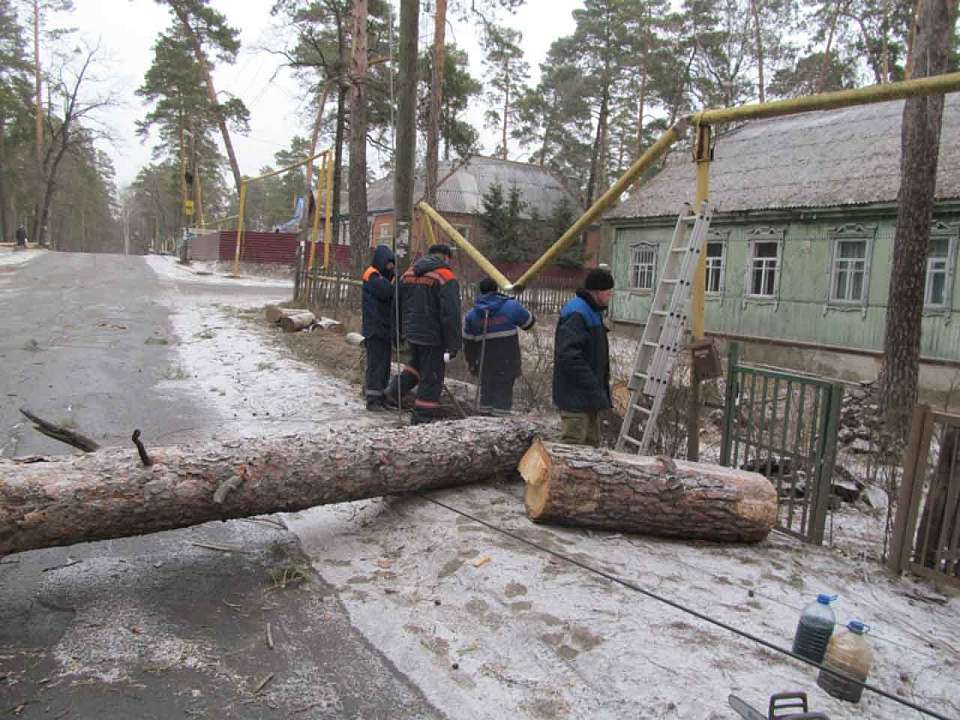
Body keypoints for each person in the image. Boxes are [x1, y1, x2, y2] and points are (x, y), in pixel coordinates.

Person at [385, 244, 461, 424]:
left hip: (412, 331)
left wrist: (397, 332)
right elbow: (451, 313)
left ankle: (393, 391)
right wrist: (454, 343)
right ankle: (422, 418)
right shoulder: (445, 276)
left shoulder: (408, 274)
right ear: (446, 257)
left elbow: (396, 305)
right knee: (432, 376)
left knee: (417, 365)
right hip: (433, 336)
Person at [552, 268, 614, 446]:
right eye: (608, 291)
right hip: (575, 395)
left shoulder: (592, 311)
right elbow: (569, 356)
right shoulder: (577, 313)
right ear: (597, 291)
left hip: (588, 395)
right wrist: (591, 382)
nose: (610, 294)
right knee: (573, 445)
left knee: (590, 446)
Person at [463, 277, 535, 414]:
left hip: (484, 362)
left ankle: (484, 425)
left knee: (486, 396)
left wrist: (472, 363)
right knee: (503, 396)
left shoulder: (471, 315)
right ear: (496, 290)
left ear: (480, 291)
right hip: (508, 360)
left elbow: (468, 344)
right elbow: (529, 323)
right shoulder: (511, 306)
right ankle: (499, 425)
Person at [361, 244, 397, 411]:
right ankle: (372, 400)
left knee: (384, 365)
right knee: (376, 365)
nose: (391, 267)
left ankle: (382, 397)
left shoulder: (386, 278)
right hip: (375, 328)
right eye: (389, 264)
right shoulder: (372, 275)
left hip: (385, 328)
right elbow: (386, 292)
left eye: (393, 264)